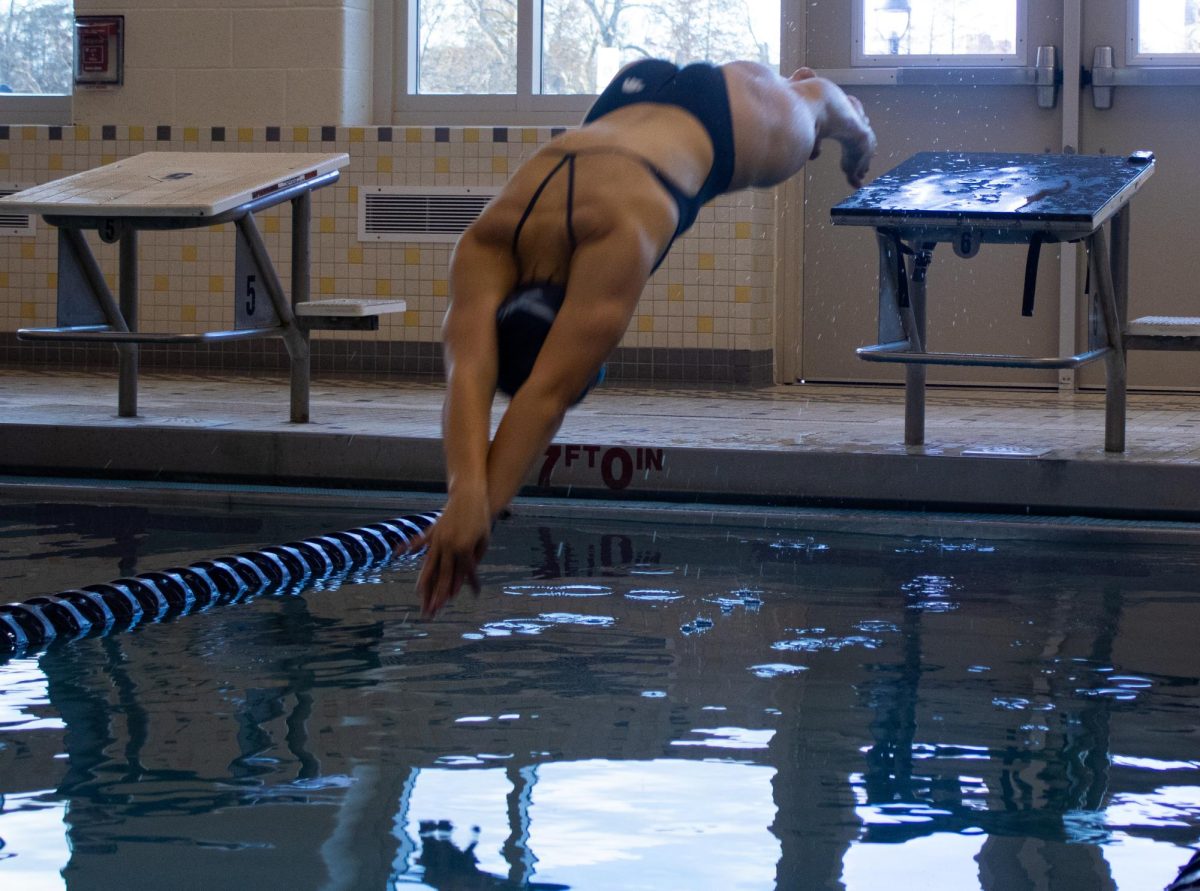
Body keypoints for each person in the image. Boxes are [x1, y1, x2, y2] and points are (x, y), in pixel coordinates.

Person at [417, 58, 877, 617]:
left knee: (816, 107)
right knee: (791, 102)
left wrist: (477, 510)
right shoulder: (486, 239)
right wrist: (465, 492)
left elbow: (545, 396)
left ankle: (853, 124)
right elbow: (468, 372)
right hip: (627, 97)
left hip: (716, 124)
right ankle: (790, 91)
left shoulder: (617, 237)